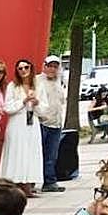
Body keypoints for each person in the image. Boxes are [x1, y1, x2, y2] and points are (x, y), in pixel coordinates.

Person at [0, 59, 44, 198]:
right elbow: (8, 107)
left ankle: (28, 185)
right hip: (17, 123)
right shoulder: (13, 86)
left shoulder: (38, 85)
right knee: (16, 152)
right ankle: (14, 184)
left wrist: (36, 103)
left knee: (31, 152)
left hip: (32, 122)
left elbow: (45, 109)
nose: (24, 70)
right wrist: (23, 101)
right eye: (20, 68)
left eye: (26, 67)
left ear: (31, 68)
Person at [36, 55, 67, 193]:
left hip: (56, 122)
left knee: (52, 154)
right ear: (44, 66)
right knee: (40, 153)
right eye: (50, 66)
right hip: (43, 122)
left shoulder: (59, 81)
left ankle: (50, 181)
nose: (52, 69)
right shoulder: (37, 81)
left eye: (55, 66)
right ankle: (40, 180)